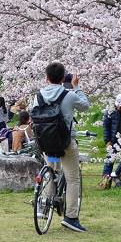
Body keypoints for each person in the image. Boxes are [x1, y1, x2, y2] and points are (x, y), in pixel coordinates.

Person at [30, 62, 90, 232]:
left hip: (47, 144)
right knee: (72, 178)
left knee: (50, 173)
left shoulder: (38, 96)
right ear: (63, 78)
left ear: (46, 78)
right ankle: (71, 217)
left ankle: (43, 207)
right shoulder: (69, 95)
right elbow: (85, 106)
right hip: (65, 143)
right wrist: (76, 87)